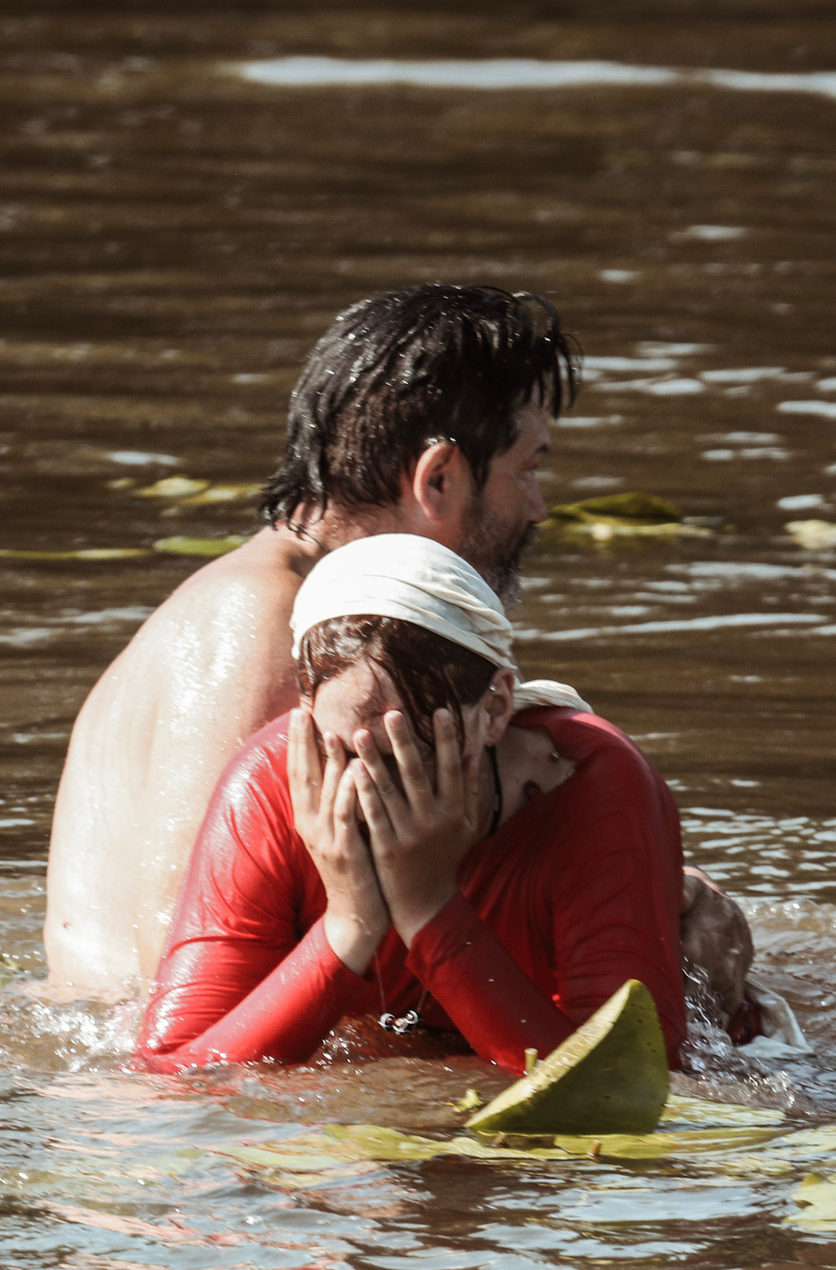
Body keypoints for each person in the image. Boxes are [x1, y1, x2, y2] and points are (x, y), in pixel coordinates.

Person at [41, 284, 759, 1029]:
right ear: (438, 478)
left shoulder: (344, 625)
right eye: (528, 467)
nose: (539, 505)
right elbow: (175, 966)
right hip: (161, 1096)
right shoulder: (257, 622)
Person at [135, 534, 698, 1074]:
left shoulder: (591, 782)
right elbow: (175, 1075)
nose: (371, 794)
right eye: (348, 756)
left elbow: (633, 1080)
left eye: (409, 759)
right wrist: (349, 924)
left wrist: (428, 904)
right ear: (306, 709)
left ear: (496, 708)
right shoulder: (267, 785)